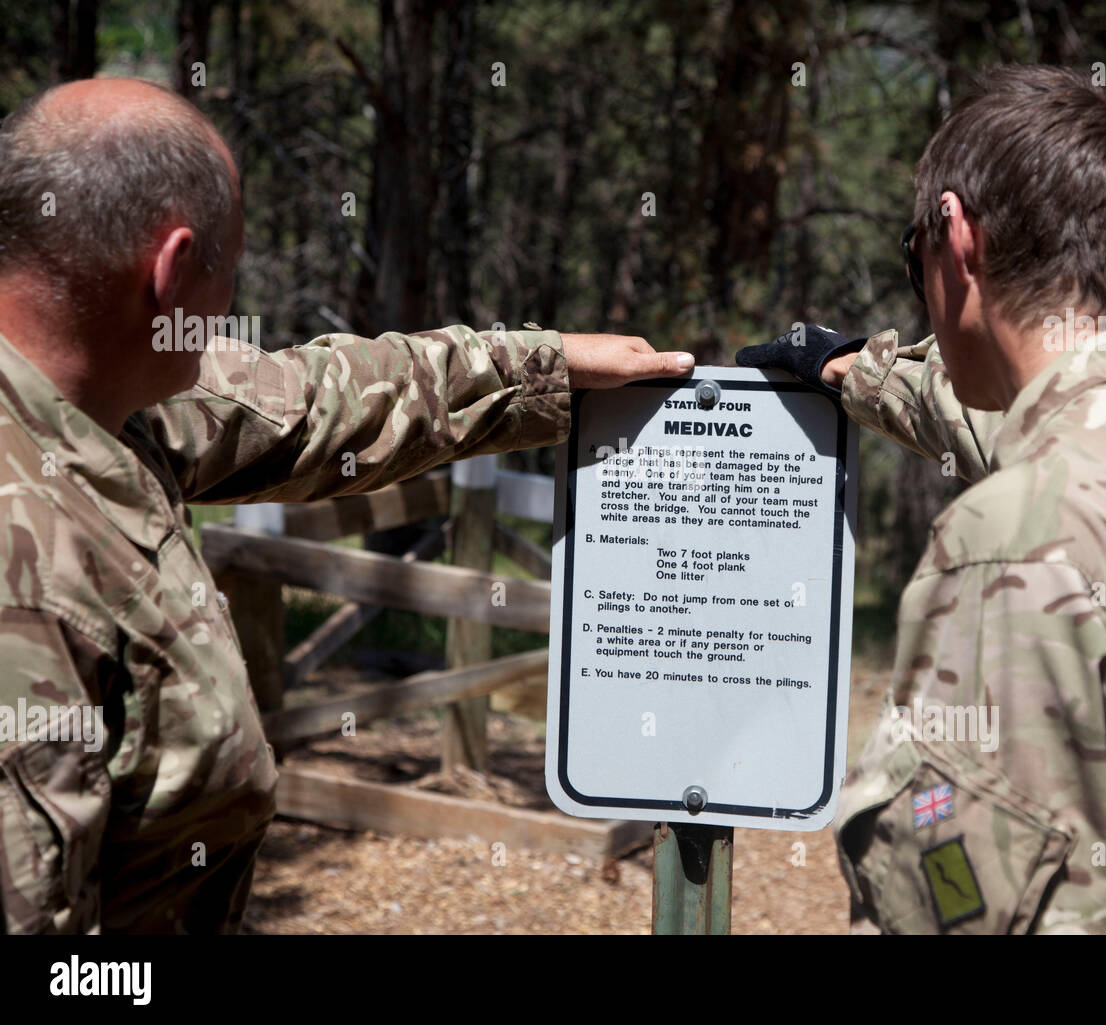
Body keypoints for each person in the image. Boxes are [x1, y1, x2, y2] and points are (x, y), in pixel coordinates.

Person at [0, 78, 693, 934]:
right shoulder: (22, 571)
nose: (226, 318)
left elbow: (320, 403)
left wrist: (544, 365)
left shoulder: (103, 396)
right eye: (230, 272)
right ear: (174, 273)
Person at [738, 64, 1106, 933]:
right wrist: (846, 367)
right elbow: (1023, 421)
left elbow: (956, 902)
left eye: (912, 249)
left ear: (958, 233)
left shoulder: (1004, 540)